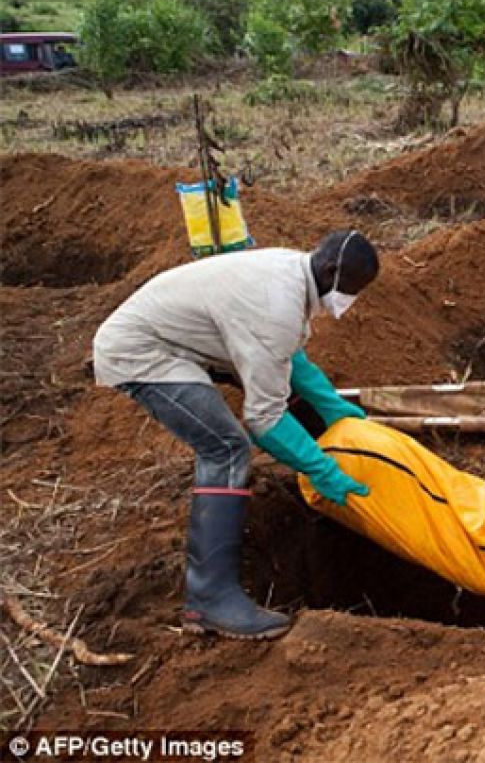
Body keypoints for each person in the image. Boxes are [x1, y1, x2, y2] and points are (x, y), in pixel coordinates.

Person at [93, 230, 380, 640]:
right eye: (352, 289)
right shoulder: (276, 305)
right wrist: (322, 470)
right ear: (332, 270)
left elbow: (288, 357)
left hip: (177, 337)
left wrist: (331, 404)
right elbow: (264, 420)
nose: (351, 300)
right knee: (226, 448)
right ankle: (210, 599)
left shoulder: (293, 272)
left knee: (236, 434)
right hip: (142, 351)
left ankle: (212, 595)